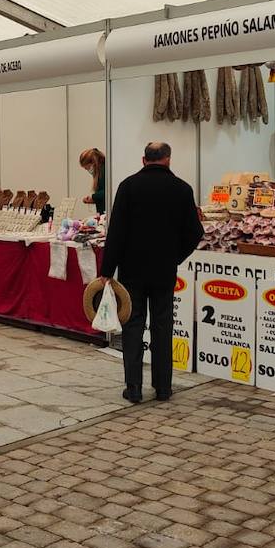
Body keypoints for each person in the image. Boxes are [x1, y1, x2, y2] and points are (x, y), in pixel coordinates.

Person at [99, 142, 203, 404]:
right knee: (162, 326)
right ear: (168, 159)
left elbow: (117, 232)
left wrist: (107, 271)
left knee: (132, 326)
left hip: (132, 271)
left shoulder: (128, 186)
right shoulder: (182, 189)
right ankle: (163, 388)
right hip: (164, 271)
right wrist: (175, 256)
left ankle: (133, 387)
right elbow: (195, 232)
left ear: (144, 159)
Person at [79, 147, 106, 215]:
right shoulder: (101, 172)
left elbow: (108, 192)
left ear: (94, 163)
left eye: (87, 168)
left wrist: (93, 197)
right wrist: (93, 199)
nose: (88, 170)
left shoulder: (104, 172)